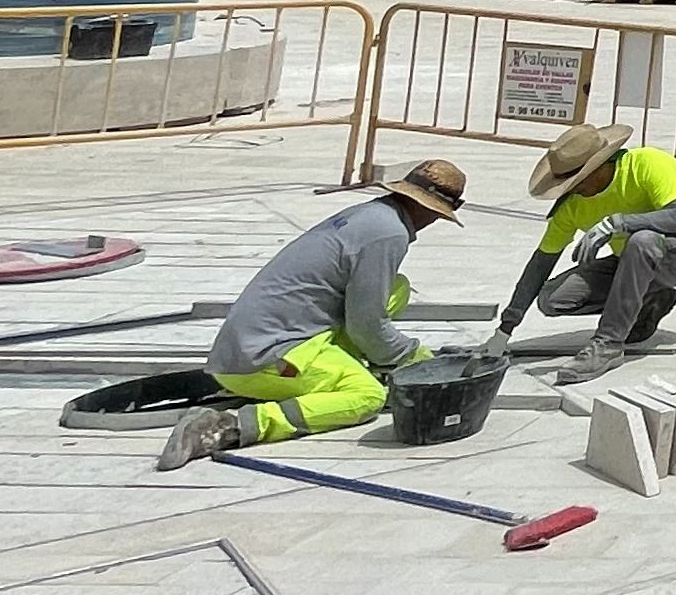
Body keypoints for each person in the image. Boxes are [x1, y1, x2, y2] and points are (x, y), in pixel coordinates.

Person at [160, 159, 468, 466]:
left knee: (396, 287)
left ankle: (350, 362)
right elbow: (367, 325)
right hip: (265, 359)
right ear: (429, 209)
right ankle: (228, 426)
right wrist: (416, 359)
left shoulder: (370, 216)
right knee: (367, 395)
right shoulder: (389, 234)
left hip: (251, 343)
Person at [490, 120, 676, 384]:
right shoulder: (572, 206)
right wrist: (504, 330)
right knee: (553, 298)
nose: (572, 190)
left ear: (599, 167)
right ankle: (651, 301)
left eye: (576, 182)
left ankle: (608, 345)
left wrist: (619, 223)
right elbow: (541, 263)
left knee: (642, 241)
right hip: (633, 262)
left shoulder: (647, 163)